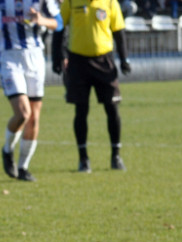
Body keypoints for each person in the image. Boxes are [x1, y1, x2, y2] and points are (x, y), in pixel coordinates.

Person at [0, 0, 62, 182]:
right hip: (9, 57)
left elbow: (59, 22)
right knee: (23, 113)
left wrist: (41, 19)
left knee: (34, 116)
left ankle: (23, 167)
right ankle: (7, 150)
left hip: (34, 58)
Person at [53, 0, 130, 172]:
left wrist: (125, 59)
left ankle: (116, 156)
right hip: (78, 62)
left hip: (104, 61)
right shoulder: (71, 2)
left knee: (112, 109)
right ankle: (83, 159)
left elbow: (119, 31)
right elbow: (59, 27)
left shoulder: (110, 2)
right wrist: (57, 56)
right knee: (81, 111)